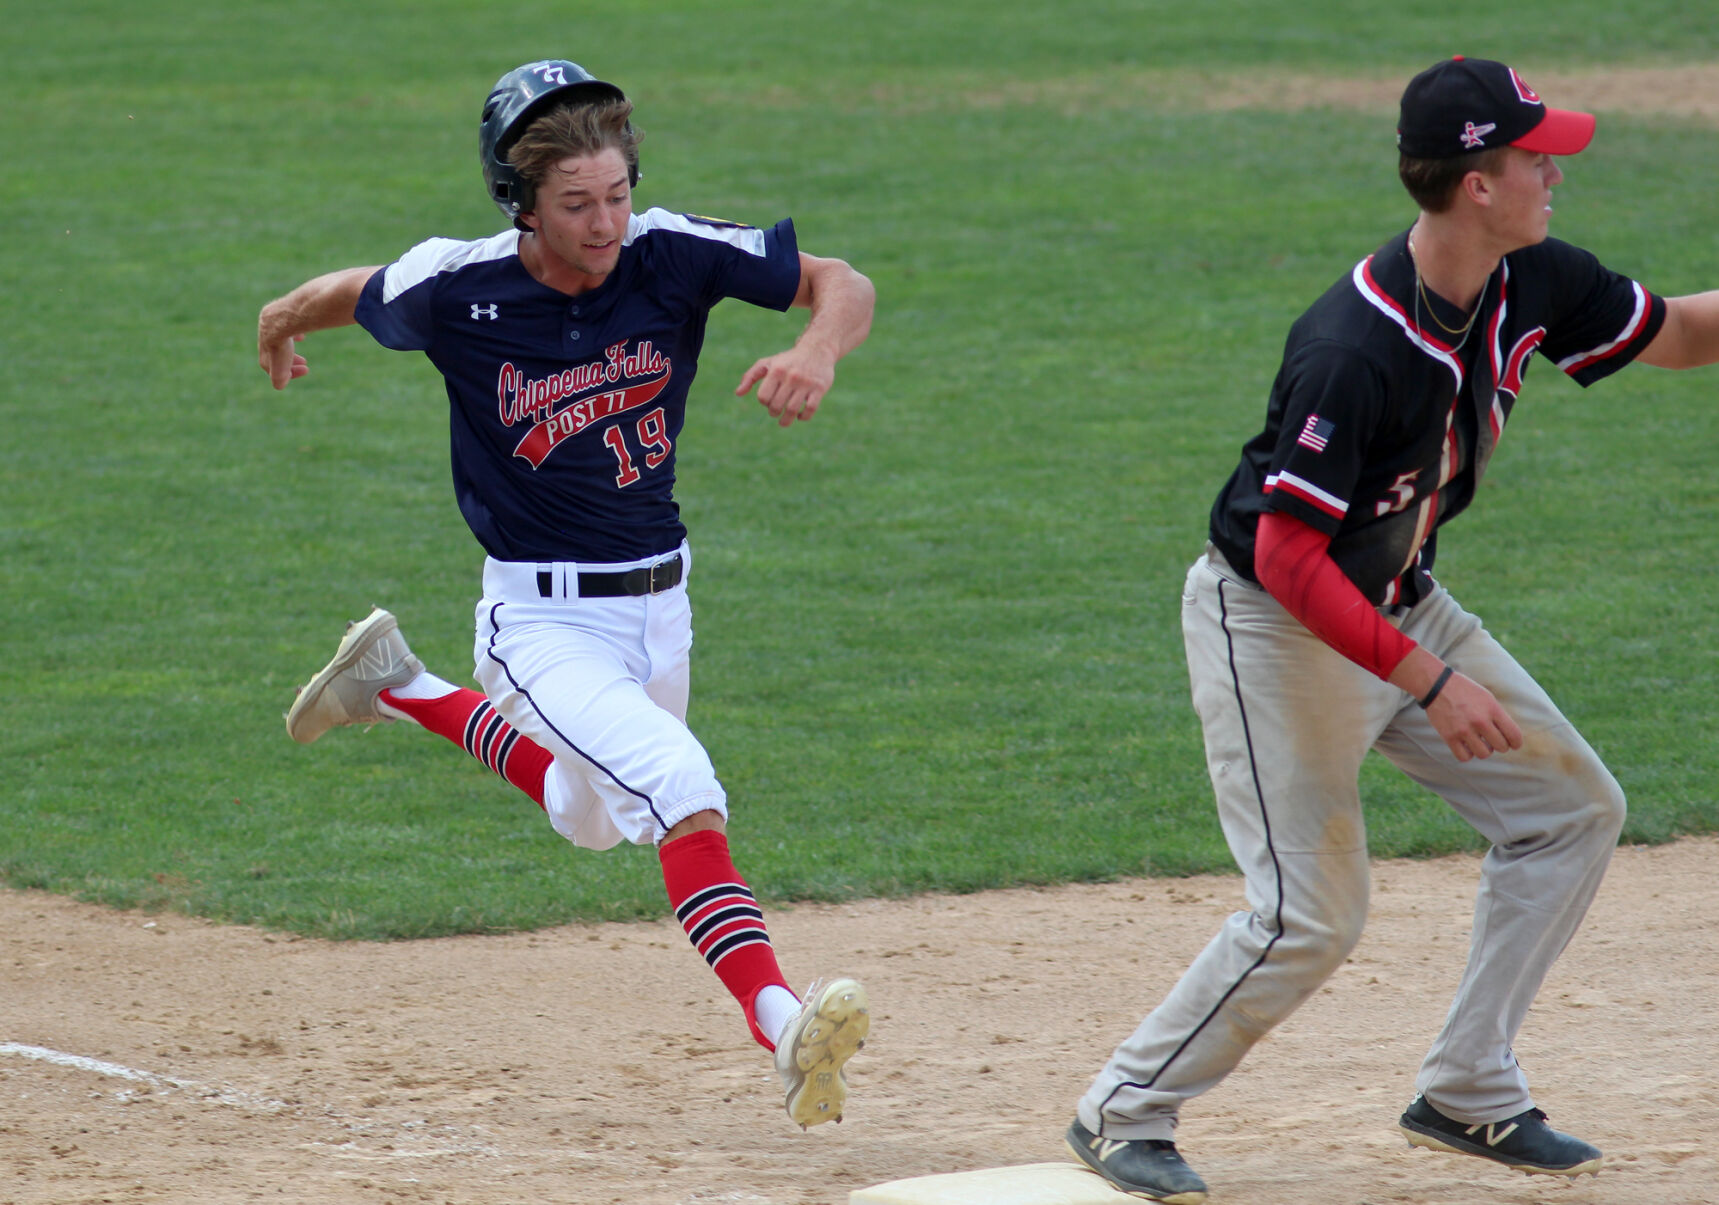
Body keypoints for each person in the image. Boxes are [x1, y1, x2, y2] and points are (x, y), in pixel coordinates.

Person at [1066, 56, 1719, 1202]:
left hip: (1399, 599)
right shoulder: (1351, 348)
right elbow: (1285, 557)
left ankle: (1469, 1085)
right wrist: (1430, 681)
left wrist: (1421, 660)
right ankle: (1124, 1106)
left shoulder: (1530, 279)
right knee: (1309, 914)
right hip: (1274, 627)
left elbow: (1676, 334)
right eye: (1533, 155)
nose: (1555, 169)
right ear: (1476, 182)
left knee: (1572, 811)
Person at [255, 58, 876, 1131]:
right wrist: (283, 320)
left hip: (661, 606)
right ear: (520, 202)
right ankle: (780, 1019)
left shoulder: (670, 250)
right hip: (538, 619)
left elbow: (841, 279)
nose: (605, 222)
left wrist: (816, 348)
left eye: (618, 193)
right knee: (681, 781)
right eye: (577, 204)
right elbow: (350, 292)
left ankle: (396, 681)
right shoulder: (458, 284)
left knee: (590, 819)